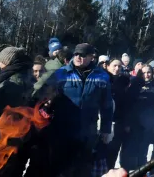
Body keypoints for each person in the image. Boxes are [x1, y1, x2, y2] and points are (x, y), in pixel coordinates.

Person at [48, 43, 114, 176]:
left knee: (83, 167)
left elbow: (107, 105)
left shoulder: (102, 76)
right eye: (76, 54)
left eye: (83, 55)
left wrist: (106, 129)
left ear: (91, 57)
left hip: (88, 131)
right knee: (61, 167)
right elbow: (47, 98)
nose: (78, 57)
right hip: (63, 129)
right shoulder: (61, 74)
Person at [0, 47, 33, 176]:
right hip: (19, 138)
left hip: (4, 137)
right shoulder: (27, 77)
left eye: (1, 61)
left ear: (9, 61)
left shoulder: (12, 83)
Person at [120, 64, 154, 169]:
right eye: (143, 73)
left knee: (143, 151)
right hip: (134, 124)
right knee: (131, 151)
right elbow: (128, 106)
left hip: (148, 125)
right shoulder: (134, 86)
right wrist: (127, 123)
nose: (146, 75)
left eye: (149, 72)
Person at [105, 58, 131, 170]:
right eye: (114, 65)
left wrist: (125, 123)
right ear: (107, 66)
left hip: (118, 122)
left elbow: (126, 105)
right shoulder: (103, 80)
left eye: (119, 66)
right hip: (104, 122)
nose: (117, 68)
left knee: (113, 153)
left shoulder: (124, 81)